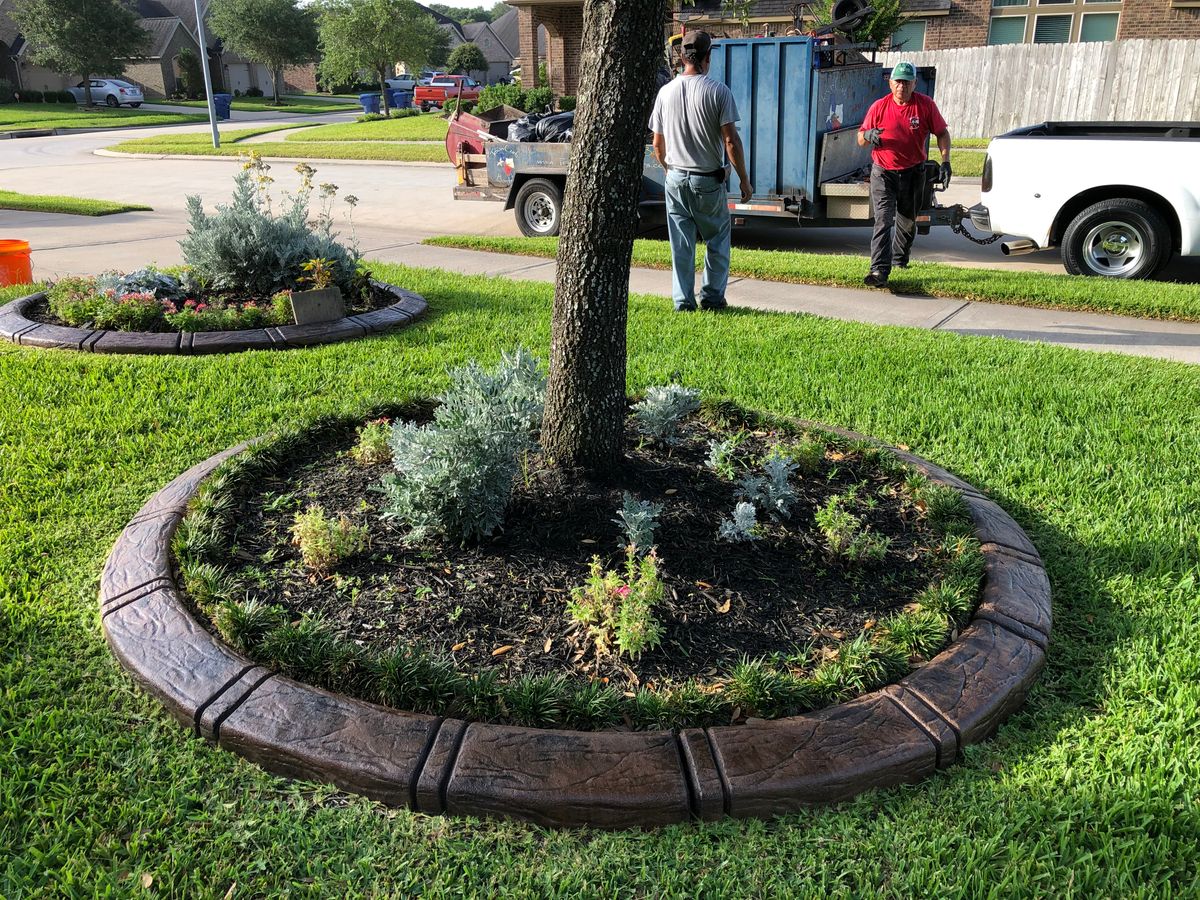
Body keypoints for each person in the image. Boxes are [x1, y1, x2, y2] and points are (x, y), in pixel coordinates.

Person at [649, 31, 753, 311]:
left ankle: (683, 302)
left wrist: (670, 169)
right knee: (717, 240)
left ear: (682, 57)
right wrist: (744, 179)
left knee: (681, 246)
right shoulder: (718, 91)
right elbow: (730, 141)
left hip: (675, 177)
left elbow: (657, 143)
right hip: (708, 180)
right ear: (708, 58)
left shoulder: (665, 92)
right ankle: (712, 298)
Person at [857, 61, 952, 287]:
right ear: (890, 83)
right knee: (883, 219)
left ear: (914, 83)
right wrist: (869, 135)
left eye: (907, 82)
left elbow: (942, 133)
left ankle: (900, 260)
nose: (902, 86)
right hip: (883, 172)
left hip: (913, 172)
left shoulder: (925, 105)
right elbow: (860, 139)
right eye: (898, 81)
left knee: (908, 221)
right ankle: (878, 270)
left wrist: (946, 162)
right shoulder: (879, 107)